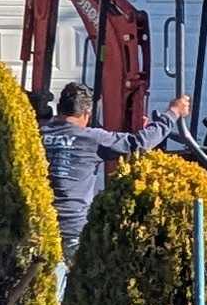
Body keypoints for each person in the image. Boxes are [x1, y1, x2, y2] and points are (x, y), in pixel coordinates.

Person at [39, 79, 190, 263]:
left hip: (38, 227)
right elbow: (140, 143)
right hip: (72, 230)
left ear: (60, 109)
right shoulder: (91, 138)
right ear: (87, 114)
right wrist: (173, 112)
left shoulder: (39, 134)